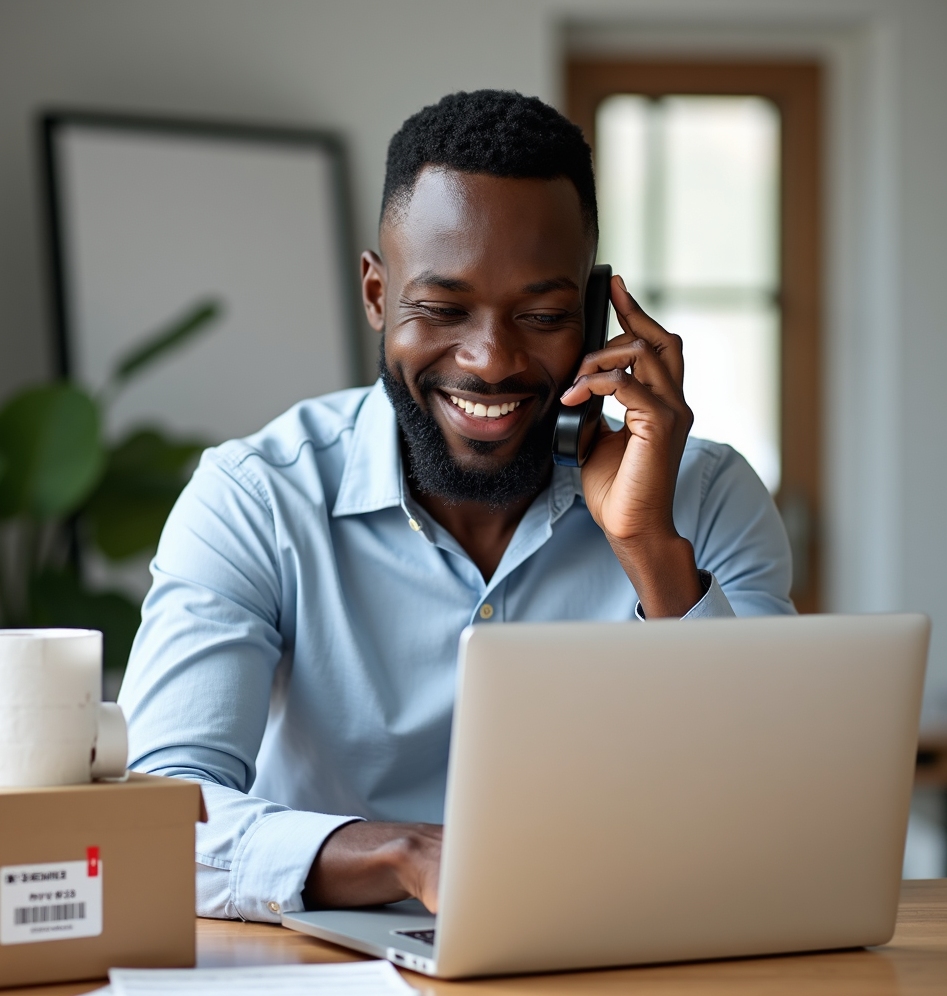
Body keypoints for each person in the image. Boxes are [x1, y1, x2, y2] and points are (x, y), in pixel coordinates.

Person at [119, 90, 794, 923]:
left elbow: (778, 811)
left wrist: (651, 548)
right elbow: (154, 818)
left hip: (618, 958)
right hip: (322, 971)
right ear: (376, 294)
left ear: (593, 310)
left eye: (543, 315)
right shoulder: (256, 499)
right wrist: (404, 854)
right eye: (441, 310)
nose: (490, 360)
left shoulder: (709, 497)